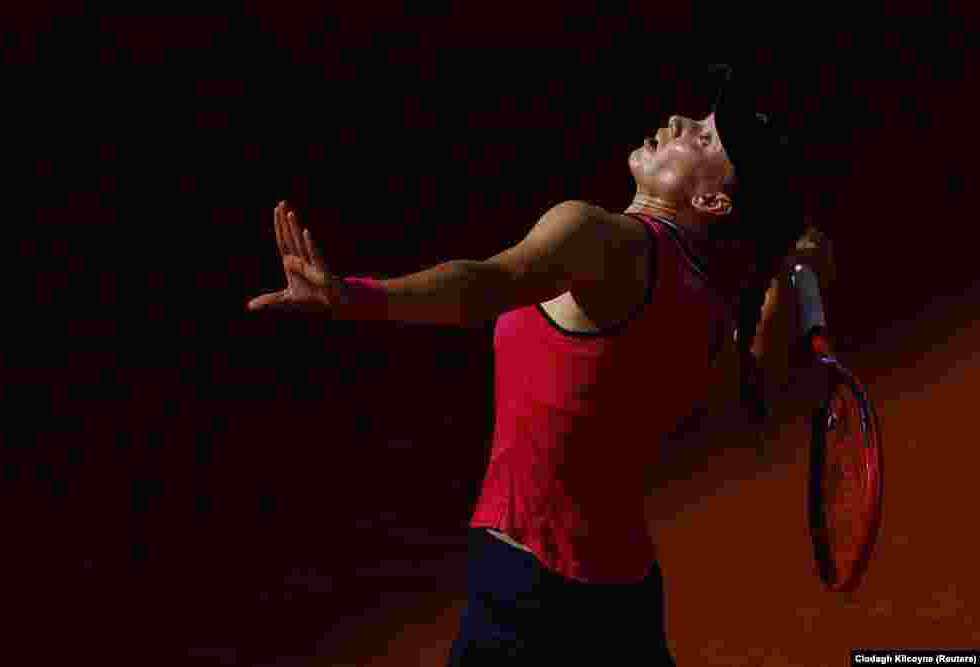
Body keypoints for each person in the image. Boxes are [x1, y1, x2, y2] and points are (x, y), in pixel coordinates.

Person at [247, 66, 834, 664]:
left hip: (526, 589)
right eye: (700, 121)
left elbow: (484, 283)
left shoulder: (597, 237)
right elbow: (746, 403)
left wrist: (355, 297)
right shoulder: (706, 305)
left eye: (705, 139)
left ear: (712, 199)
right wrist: (791, 284)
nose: (681, 123)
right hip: (623, 600)